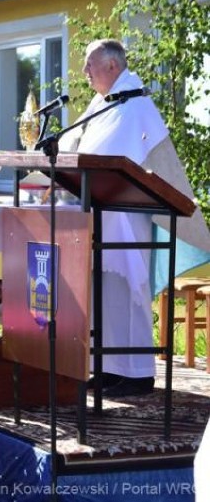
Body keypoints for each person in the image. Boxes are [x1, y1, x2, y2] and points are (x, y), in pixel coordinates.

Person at [58, 39, 210, 397]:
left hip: (129, 219)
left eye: (90, 64)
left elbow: (140, 165)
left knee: (130, 294)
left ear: (112, 66)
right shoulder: (102, 105)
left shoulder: (136, 105)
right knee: (104, 293)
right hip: (99, 215)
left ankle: (139, 372)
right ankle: (109, 366)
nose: (84, 72)